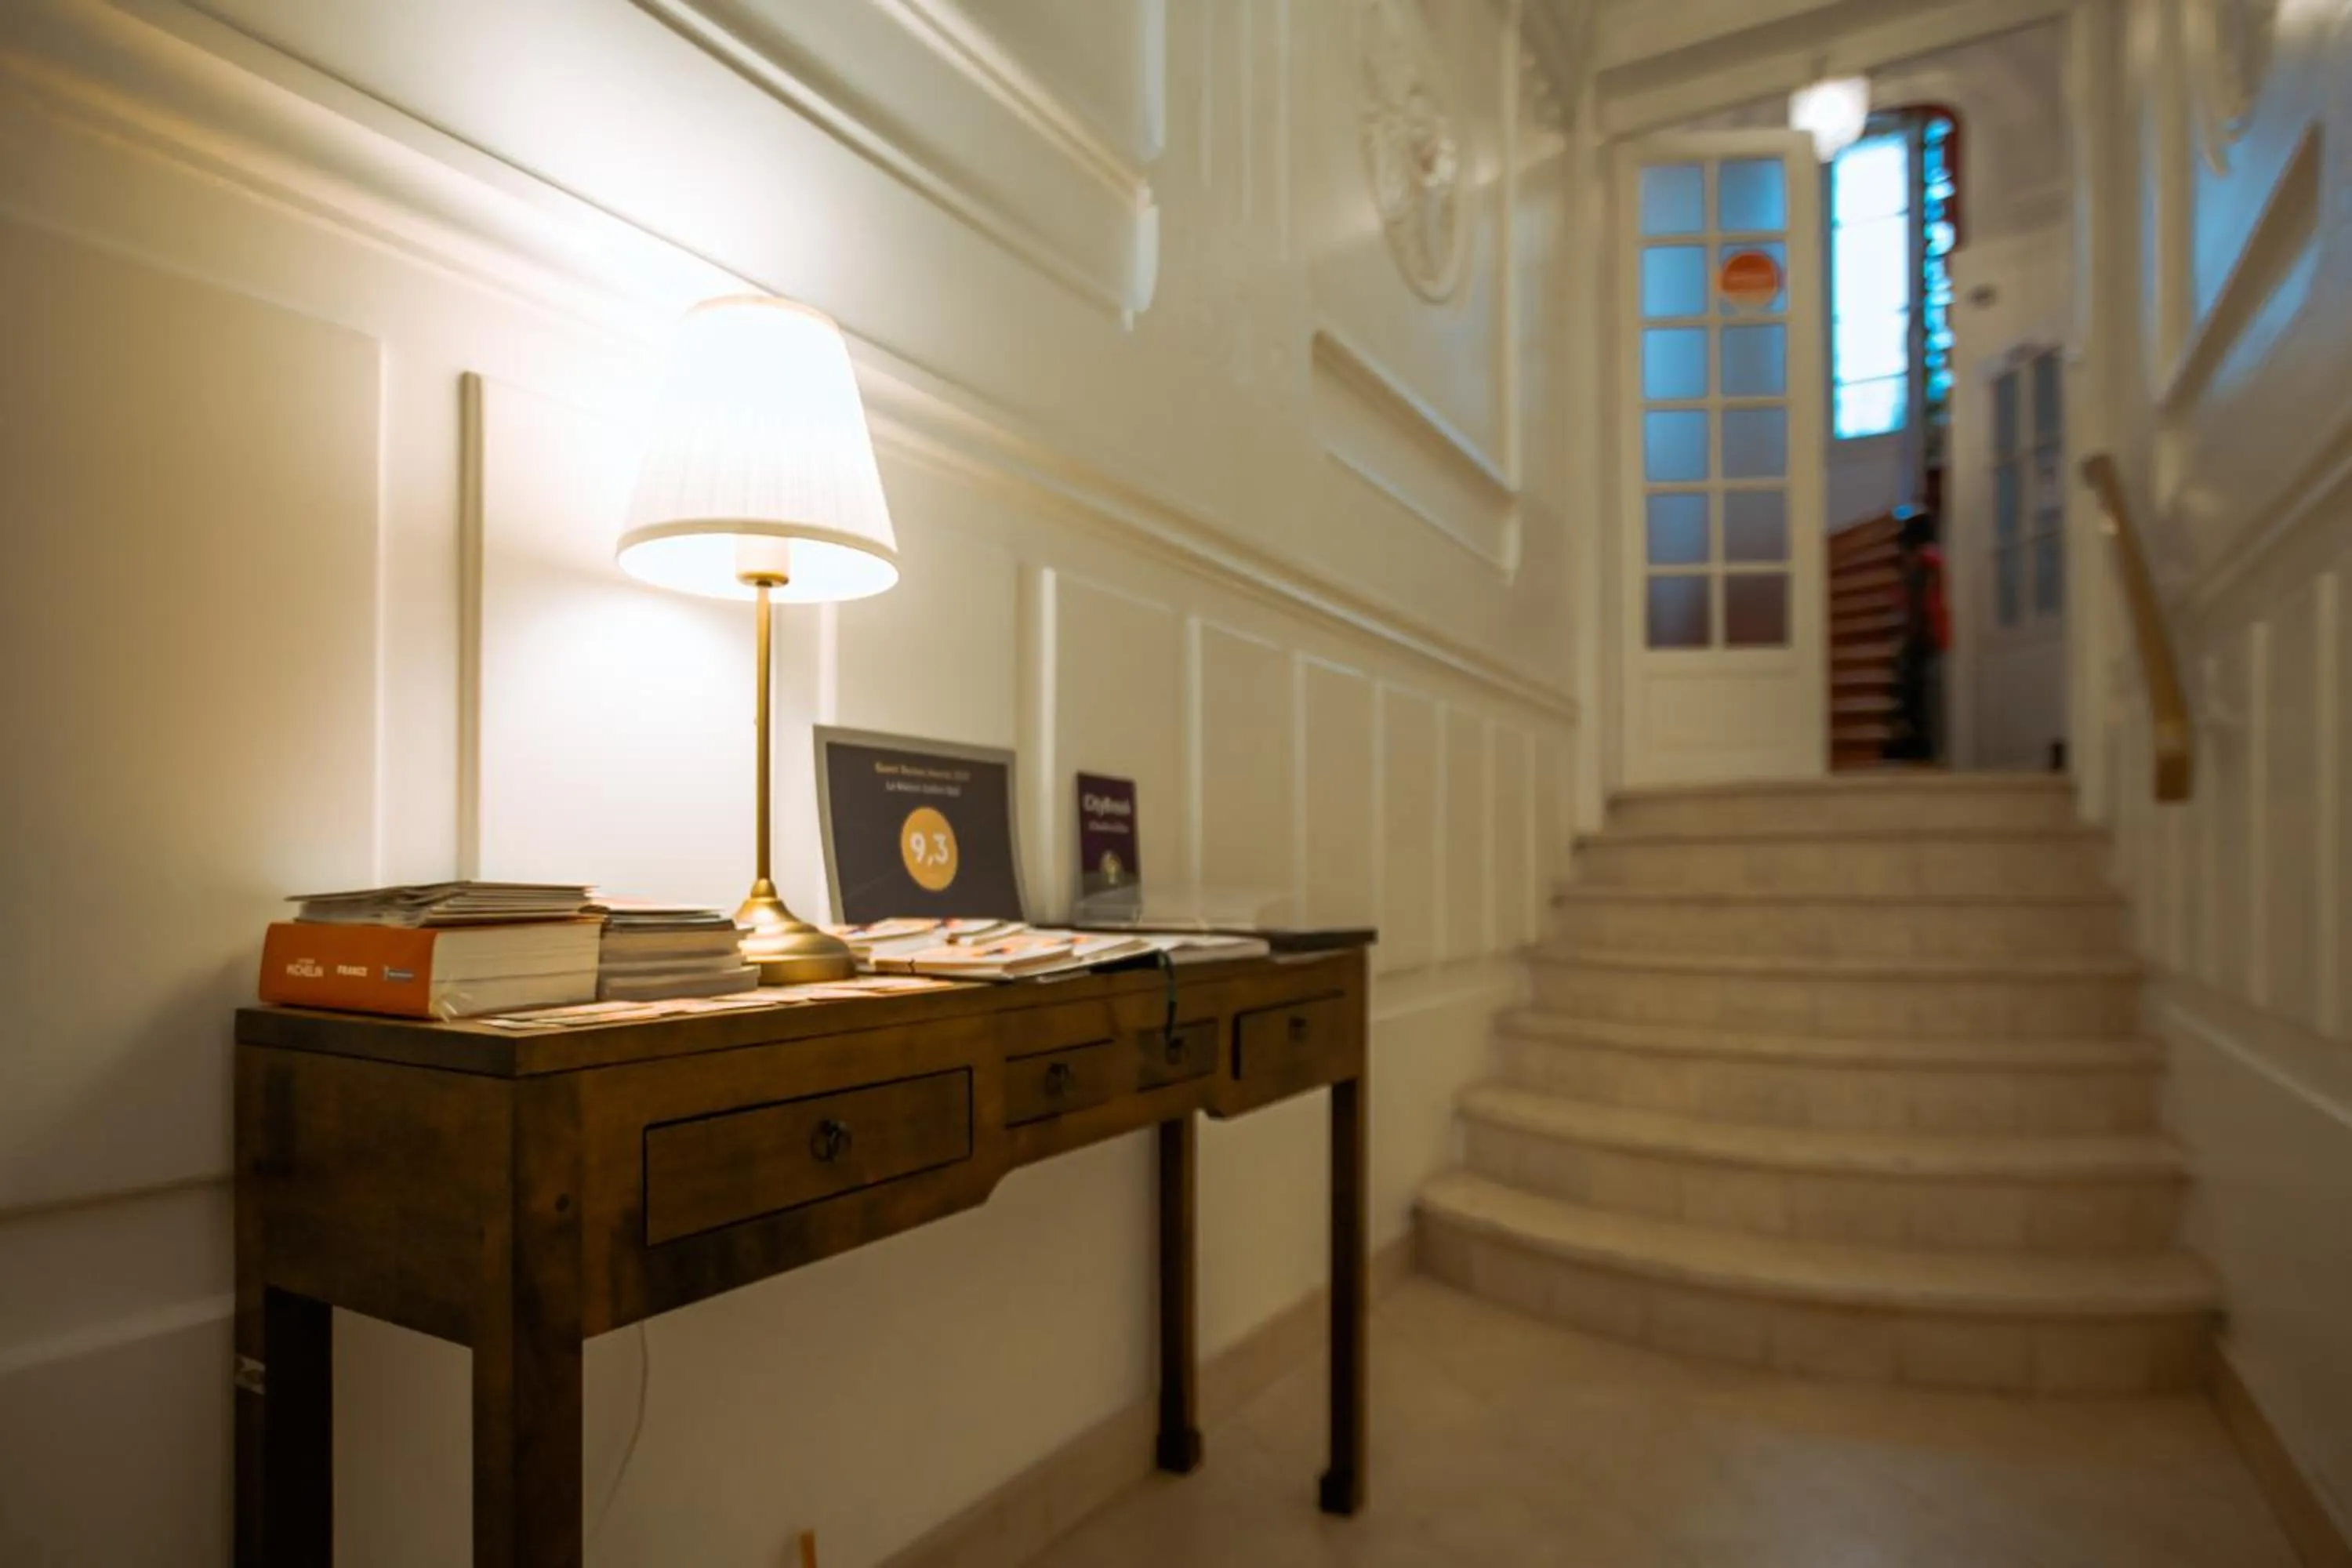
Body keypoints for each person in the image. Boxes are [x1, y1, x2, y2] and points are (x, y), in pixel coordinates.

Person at [1884, 506, 1949, 763]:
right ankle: (1917, 744)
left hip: (1924, 636)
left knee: (1917, 694)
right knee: (1914, 694)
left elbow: (1919, 605)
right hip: (1923, 637)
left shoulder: (1928, 564)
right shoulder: (1928, 564)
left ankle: (1920, 745)